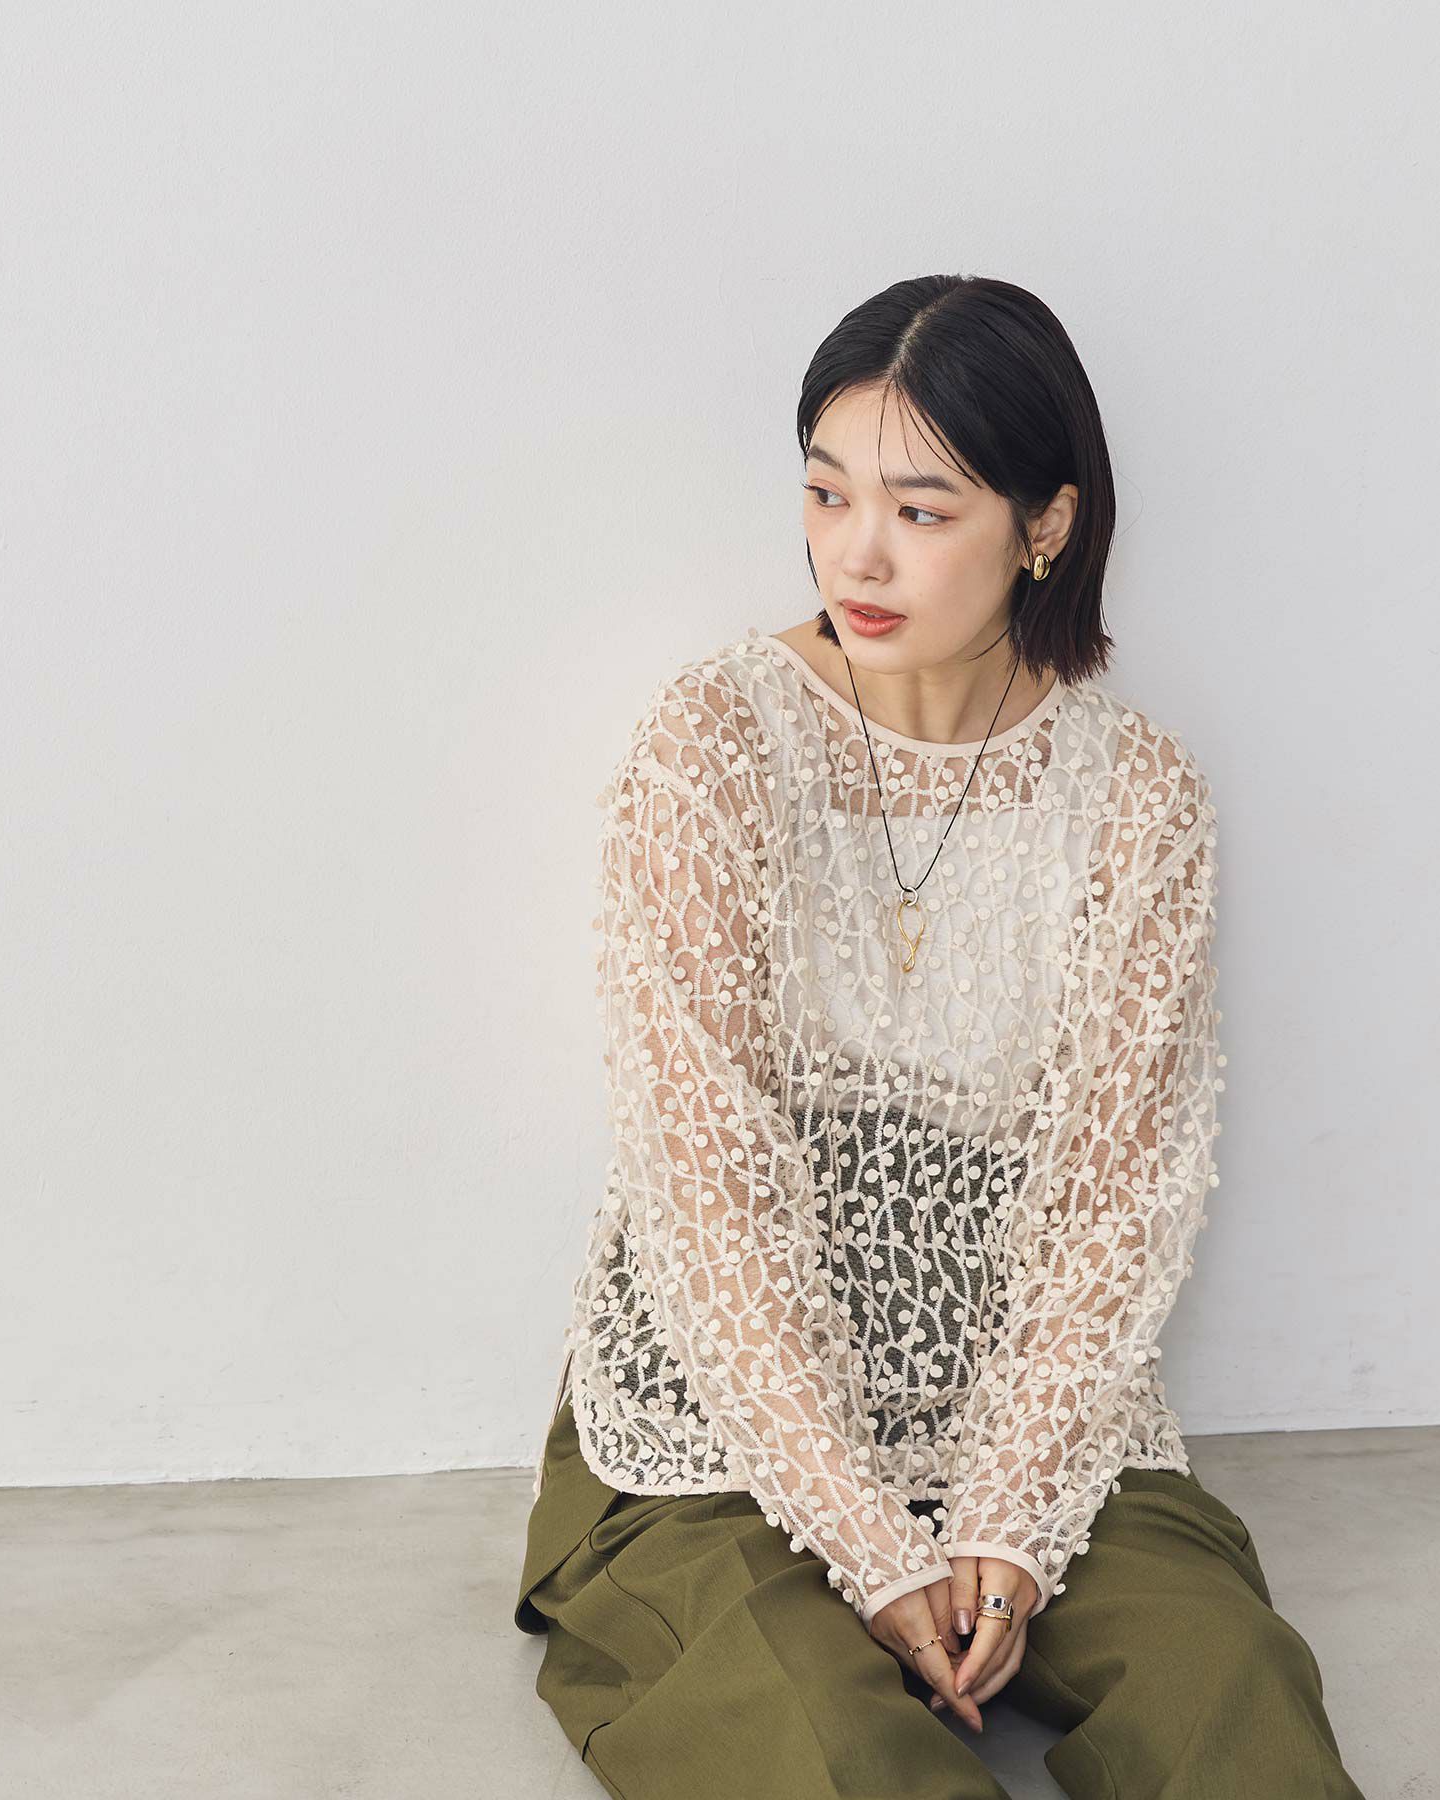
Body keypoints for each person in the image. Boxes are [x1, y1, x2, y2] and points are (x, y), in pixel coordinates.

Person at [512, 274, 1367, 1799]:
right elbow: (707, 1195)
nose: (857, 551)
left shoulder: (1136, 795)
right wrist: (862, 1538)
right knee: (838, 1760)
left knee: (1235, 1718)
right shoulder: (714, 745)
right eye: (826, 492)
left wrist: (1010, 1524)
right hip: (717, 1426)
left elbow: (1111, 1202)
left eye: (921, 509)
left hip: (1034, 1422)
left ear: (1047, 525)